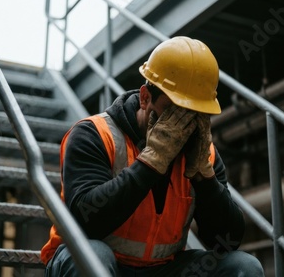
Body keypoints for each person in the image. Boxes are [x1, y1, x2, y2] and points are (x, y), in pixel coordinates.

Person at [41, 36, 264, 276]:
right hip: (101, 262)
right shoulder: (94, 134)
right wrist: (151, 161)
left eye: (194, 114)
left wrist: (204, 178)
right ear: (145, 98)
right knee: (92, 255)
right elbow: (84, 223)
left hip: (162, 269)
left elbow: (226, 241)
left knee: (244, 268)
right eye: (174, 111)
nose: (182, 125)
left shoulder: (204, 153)